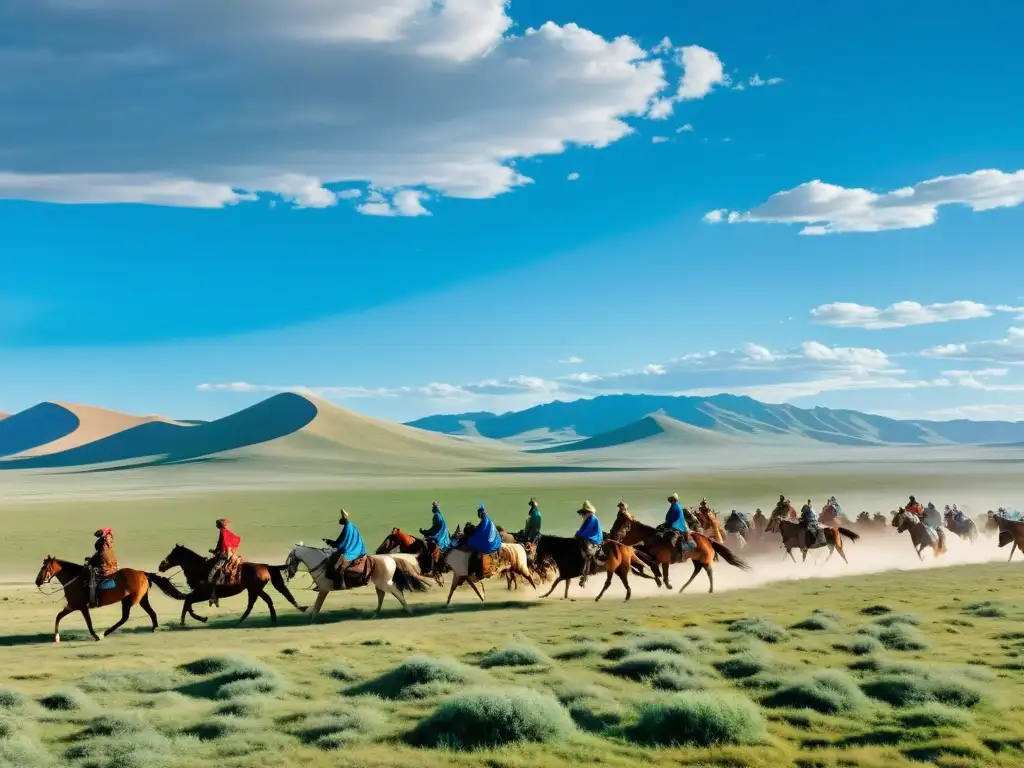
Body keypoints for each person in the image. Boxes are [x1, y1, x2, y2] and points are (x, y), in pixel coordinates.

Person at [325, 509, 367, 590]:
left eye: (341, 518)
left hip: (351, 550)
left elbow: (344, 541)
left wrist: (336, 546)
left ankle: (342, 584)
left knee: (337, 566)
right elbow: (340, 539)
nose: (340, 520)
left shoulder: (348, 527)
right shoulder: (349, 526)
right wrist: (330, 542)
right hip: (351, 548)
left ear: (344, 519)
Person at [463, 504, 503, 580]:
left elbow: (481, 530)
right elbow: (480, 528)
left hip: (488, 542)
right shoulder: (486, 519)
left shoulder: (485, 520)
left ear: (481, 513)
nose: (478, 514)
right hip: (491, 540)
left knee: (471, 543)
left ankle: (472, 569)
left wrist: (474, 530)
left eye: (478, 513)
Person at [208, 519, 242, 607]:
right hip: (229, 553)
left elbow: (221, 543)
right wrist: (215, 550)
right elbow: (223, 543)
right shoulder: (226, 531)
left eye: (217, 524)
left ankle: (213, 594)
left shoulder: (222, 532)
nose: (216, 525)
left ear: (219, 525)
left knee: (212, 573)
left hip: (224, 554)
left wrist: (215, 551)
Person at [85, 528, 118, 609]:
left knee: (92, 581)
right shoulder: (108, 546)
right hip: (113, 566)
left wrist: (91, 563)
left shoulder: (103, 549)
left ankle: (93, 601)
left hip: (108, 569)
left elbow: (101, 558)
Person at [576, 501, 603, 587]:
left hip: (594, 537)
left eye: (584, 512)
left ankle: (587, 573)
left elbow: (587, 531)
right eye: (583, 513)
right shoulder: (587, 519)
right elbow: (582, 529)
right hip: (588, 536)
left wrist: (580, 534)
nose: (583, 514)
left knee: (588, 552)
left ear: (588, 512)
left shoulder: (592, 519)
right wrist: (578, 533)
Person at [658, 493, 692, 561]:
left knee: (672, 538)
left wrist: (666, 524)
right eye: (670, 500)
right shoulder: (674, 505)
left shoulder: (675, 506)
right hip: (672, 523)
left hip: (677, 524)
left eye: (671, 500)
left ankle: (679, 553)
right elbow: (669, 517)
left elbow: (671, 518)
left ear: (674, 500)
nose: (670, 501)